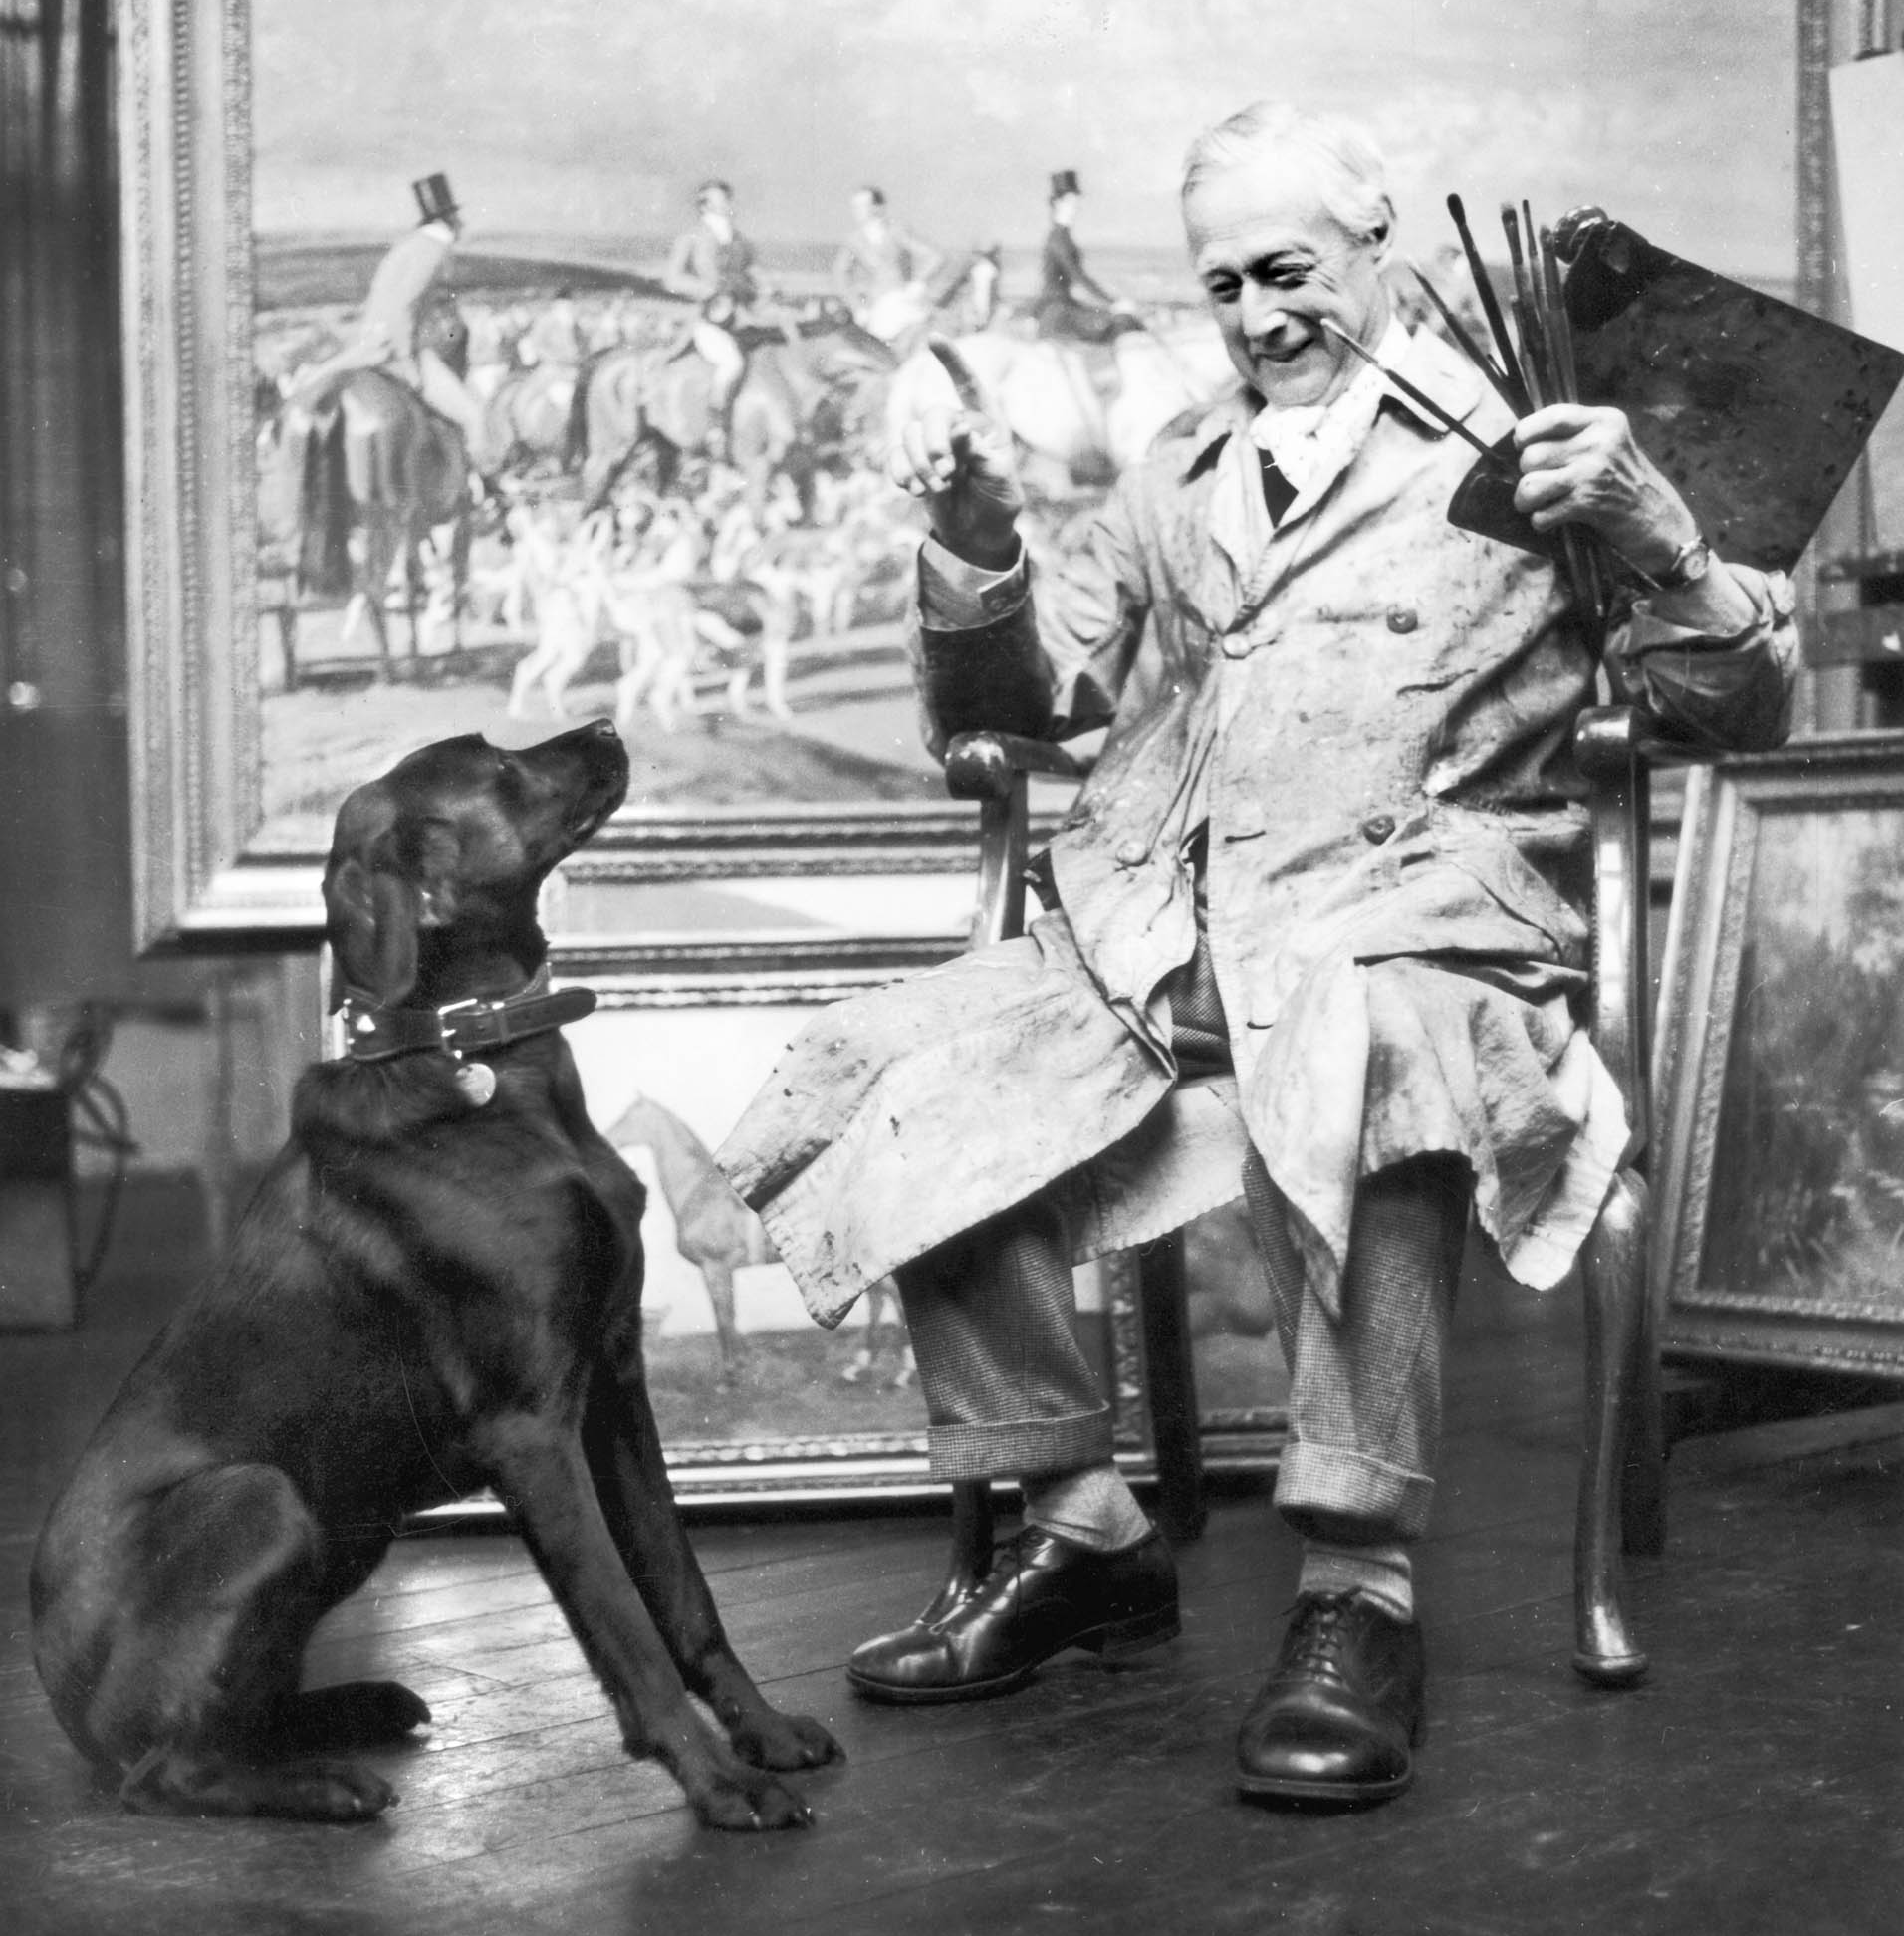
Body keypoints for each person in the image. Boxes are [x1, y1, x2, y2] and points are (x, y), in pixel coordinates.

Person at [716, 102, 1796, 1809]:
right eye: (1223, 284)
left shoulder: (1534, 441)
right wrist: (976, 545)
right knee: (904, 1059)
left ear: (1381, 246)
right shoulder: (1175, 469)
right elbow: (1025, 702)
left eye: (1288, 271)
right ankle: (1084, 1526)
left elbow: (1742, 707)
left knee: (1367, 1049)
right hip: (1180, 922)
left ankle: (1357, 1587)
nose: (1257, 316)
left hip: (1420, 917)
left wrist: (1657, 531)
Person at [304, 172, 496, 469]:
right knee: (474, 416)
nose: (462, 224)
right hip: (396, 347)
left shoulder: (408, 246)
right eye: (457, 218)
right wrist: (408, 361)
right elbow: (406, 306)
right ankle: (481, 480)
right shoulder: (434, 251)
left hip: (370, 342)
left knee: (320, 375)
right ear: (448, 221)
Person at [664, 179, 765, 454]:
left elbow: (751, 272)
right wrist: (707, 290)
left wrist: (763, 287)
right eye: (718, 200)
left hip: (742, 316)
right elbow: (672, 278)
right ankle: (716, 426)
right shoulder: (691, 239)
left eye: (726, 199)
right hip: (708, 319)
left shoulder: (740, 240)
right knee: (731, 363)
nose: (725, 205)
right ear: (704, 206)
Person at [1032, 167, 1141, 343]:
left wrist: (1112, 302)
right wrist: (1113, 303)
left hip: (1062, 307)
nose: (1075, 208)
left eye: (1076, 202)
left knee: (1123, 321)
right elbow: (1078, 276)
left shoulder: (1062, 236)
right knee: (1123, 322)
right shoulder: (1058, 239)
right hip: (1057, 313)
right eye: (1070, 202)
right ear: (1057, 203)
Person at [833, 185, 943, 344]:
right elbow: (840, 275)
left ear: (878, 207)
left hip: (904, 299)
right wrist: (857, 306)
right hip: (877, 304)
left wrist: (919, 281)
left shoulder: (897, 231)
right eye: (855, 206)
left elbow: (934, 256)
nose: (857, 211)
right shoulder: (854, 241)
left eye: (863, 206)